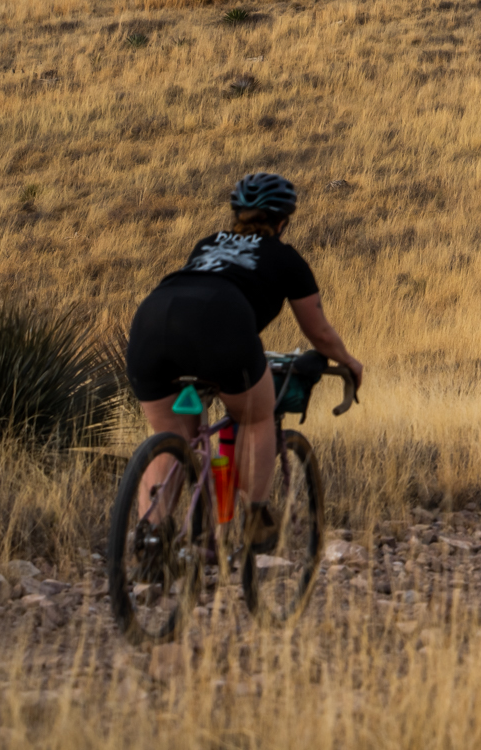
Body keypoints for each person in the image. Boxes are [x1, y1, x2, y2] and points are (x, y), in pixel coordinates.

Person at [125, 173, 364, 550]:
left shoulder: (207, 243)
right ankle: (254, 518)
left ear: (236, 214)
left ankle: (150, 536)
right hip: (220, 322)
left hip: (151, 321)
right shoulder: (286, 259)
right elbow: (318, 333)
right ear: (283, 221)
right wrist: (350, 363)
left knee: (171, 437)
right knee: (254, 417)